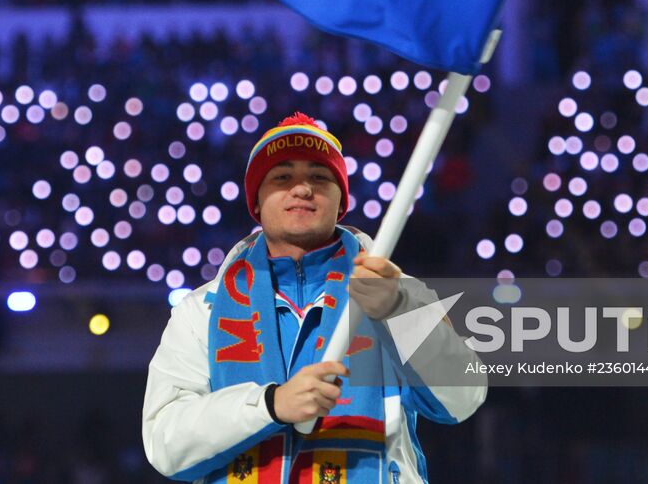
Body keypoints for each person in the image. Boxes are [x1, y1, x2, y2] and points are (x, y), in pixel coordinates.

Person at [143, 112, 486, 482]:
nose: (303, 189)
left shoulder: (396, 291)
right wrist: (270, 405)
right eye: (282, 176)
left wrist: (399, 311)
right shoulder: (201, 311)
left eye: (320, 177)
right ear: (256, 203)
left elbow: (462, 397)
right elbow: (165, 443)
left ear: (341, 203)